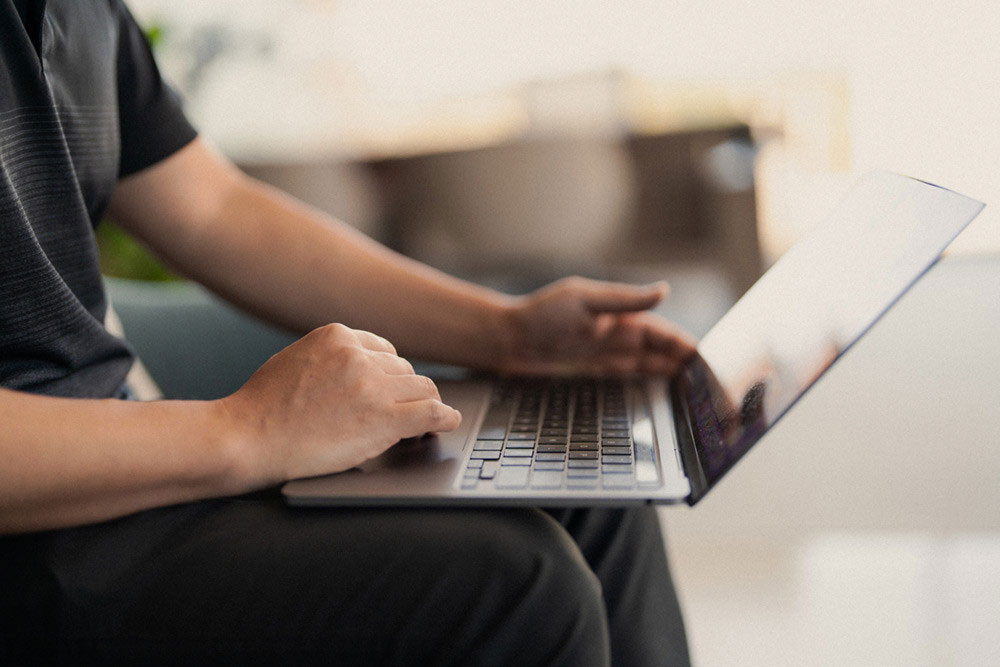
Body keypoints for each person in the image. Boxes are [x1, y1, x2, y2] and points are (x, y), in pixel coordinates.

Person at [0, 1, 695, 664]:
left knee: (592, 500)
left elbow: (212, 208)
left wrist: (505, 332)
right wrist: (251, 428)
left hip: (126, 476)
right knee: (518, 588)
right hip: (34, 533)